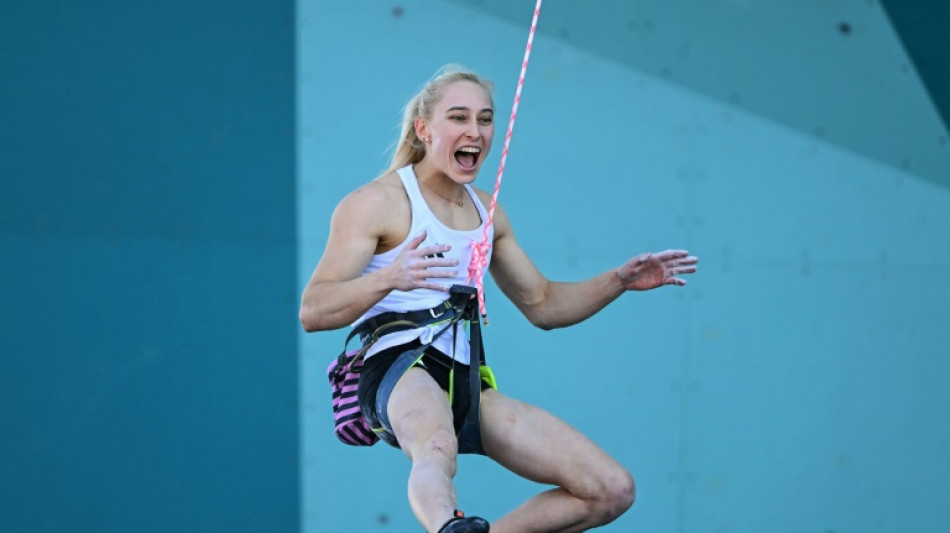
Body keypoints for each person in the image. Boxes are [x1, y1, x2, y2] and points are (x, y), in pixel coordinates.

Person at [299, 65, 698, 533]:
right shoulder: (377, 203)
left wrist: (619, 281)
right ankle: (446, 527)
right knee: (436, 446)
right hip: (394, 365)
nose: (475, 132)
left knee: (610, 488)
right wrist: (390, 277)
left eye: (485, 120)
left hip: (467, 380)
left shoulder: (487, 213)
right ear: (424, 129)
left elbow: (544, 304)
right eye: (459, 118)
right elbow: (313, 309)